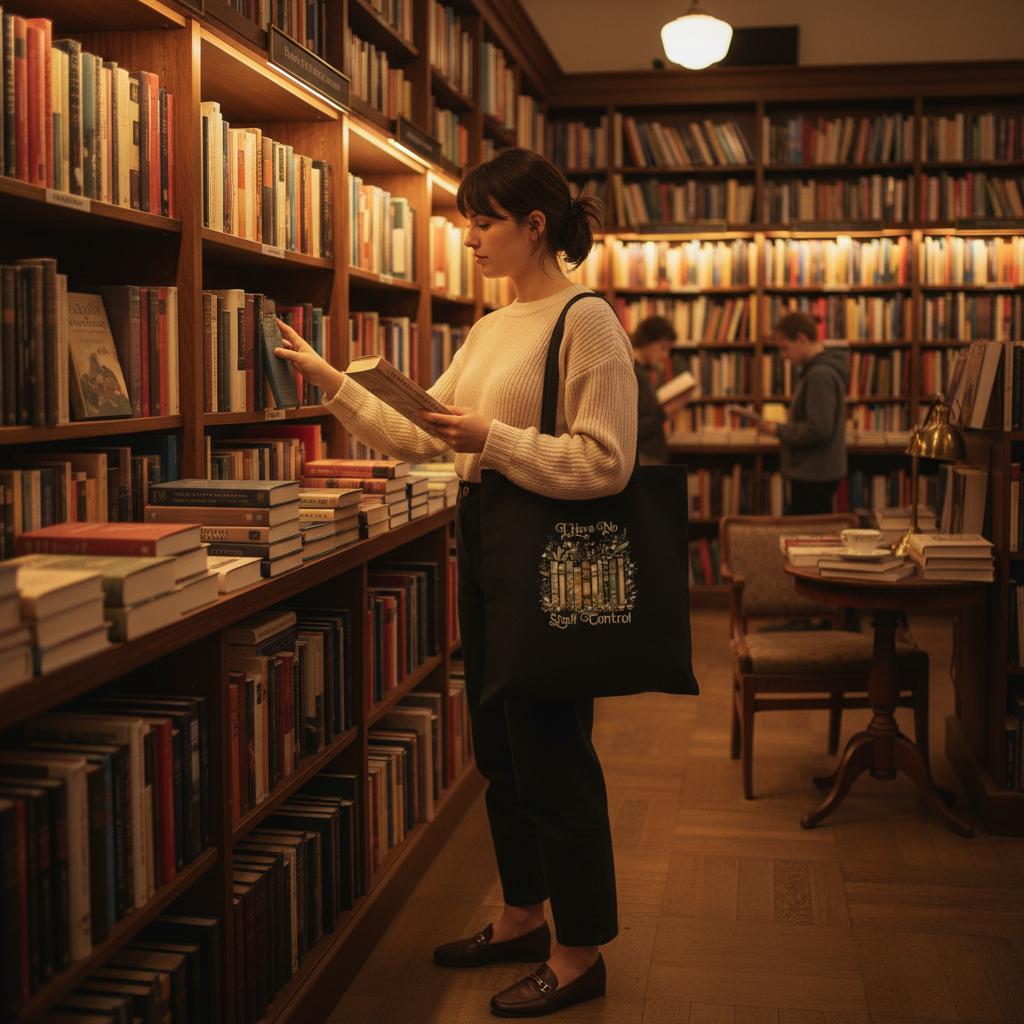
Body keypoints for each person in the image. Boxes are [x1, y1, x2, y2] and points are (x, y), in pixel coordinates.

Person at [271, 147, 637, 1018]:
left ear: (533, 225)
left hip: (550, 553)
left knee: (555, 756)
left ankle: (582, 952)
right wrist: (334, 385)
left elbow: (607, 464)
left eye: (483, 220)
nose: (467, 236)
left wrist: (492, 440)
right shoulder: (490, 326)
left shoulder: (586, 321)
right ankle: (521, 916)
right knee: (501, 752)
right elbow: (422, 436)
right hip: (484, 541)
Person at [754, 311, 849, 515]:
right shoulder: (816, 371)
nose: (784, 356)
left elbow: (819, 429)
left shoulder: (819, 374)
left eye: (785, 348)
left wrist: (778, 429)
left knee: (809, 537)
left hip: (814, 473)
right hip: (815, 471)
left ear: (801, 338)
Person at [631, 315, 691, 464]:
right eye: (662, 348)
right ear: (647, 342)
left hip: (650, 457)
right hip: (644, 459)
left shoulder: (643, 372)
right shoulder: (632, 373)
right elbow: (631, 428)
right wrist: (666, 412)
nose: (665, 355)